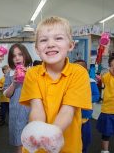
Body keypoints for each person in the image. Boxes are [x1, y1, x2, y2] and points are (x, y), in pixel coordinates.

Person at [19, 16, 92, 153]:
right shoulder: (32, 74)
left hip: (67, 147)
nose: (50, 44)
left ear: (71, 45)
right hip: (37, 147)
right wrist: (39, 134)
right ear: (36, 49)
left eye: (58, 38)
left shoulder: (79, 73)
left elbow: (67, 111)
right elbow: (37, 108)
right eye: (44, 40)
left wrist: (51, 136)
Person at [3, 43, 32, 153]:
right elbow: (6, 94)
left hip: (33, 111)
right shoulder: (9, 74)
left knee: (34, 141)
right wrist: (14, 83)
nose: (17, 58)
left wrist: (28, 76)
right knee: (19, 143)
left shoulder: (33, 72)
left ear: (25, 55)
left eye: (20, 54)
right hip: (17, 112)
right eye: (14, 56)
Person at [74, 59, 100, 153]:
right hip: (72, 118)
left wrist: (85, 100)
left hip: (85, 117)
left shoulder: (91, 82)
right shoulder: (70, 83)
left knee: (86, 139)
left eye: (81, 69)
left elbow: (97, 96)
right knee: (73, 139)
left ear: (86, 70)